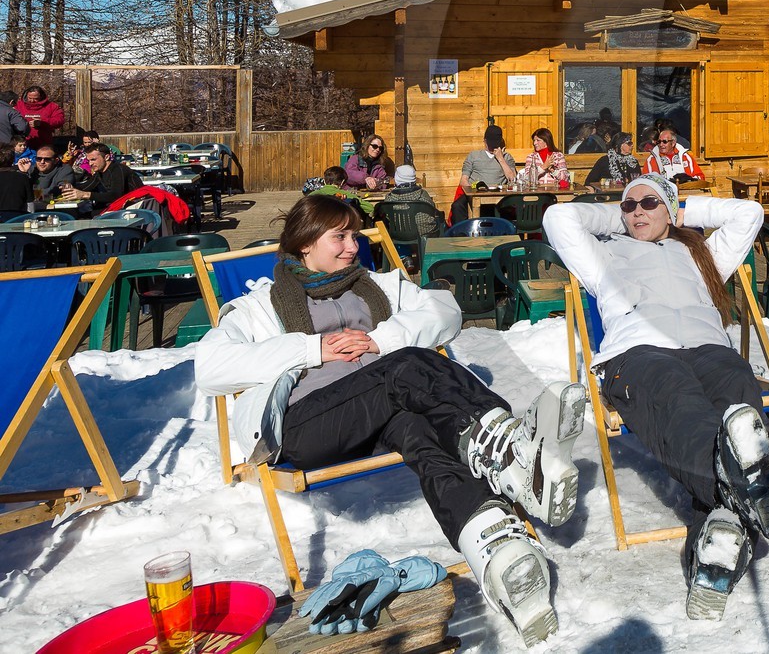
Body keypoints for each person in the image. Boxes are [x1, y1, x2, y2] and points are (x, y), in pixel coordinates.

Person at [193, 195, 585, 645]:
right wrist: (311, 350)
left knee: (422, 429)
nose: (351, 246)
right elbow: (210, 367)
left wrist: (381, 339)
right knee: (407, 368)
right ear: (304, 244)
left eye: (355, 235)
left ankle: (497, 551)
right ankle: (512, 454)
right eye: (338, 237)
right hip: (307, 426)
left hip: (380, 414)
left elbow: (445, 310)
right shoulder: (261, 305)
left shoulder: (373, 285)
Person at [543, 177, 769, 621]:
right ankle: (749, 493)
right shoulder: (604, 256)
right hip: (639, 355)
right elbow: (558, 216)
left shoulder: (699, 256)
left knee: (738, 390)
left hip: (709, 349)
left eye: (648, 203)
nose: (637, 211)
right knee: (681, 402)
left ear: (671, 208)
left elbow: (748, 213)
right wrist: (620, 219)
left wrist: (683, 213)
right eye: (629, 204)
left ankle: (716, 546)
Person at [454, 125, 519, 222]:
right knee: (457, 206)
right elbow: (463, 180)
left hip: (498, 195)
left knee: (505, 208)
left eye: (495, 143)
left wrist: (500, 159)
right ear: (484, 141)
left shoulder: (506, 157)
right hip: (475, 191)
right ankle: (462, 234)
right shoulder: (474, 156)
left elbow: (512, 179)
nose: (493, 146)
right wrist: (473, 193)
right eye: (490, 143)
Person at [58, 142, 140, 210]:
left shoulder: (118, 170)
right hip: (118, 209)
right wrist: (69, 188)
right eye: (88, 160)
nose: (90, 164)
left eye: (93, 159)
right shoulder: (100, 172)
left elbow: (115, 195)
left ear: (107, 157)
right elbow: (86, 186)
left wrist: (85, 195)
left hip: (134, 210)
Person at [383, 165, 442, 237]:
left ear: (397, 178)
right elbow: (432, 210)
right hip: (424, 233)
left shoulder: (389, 198)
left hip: (397, 235)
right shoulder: (423, 194)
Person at [17, 85, 64, 149]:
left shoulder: (51, 106)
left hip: (44, 145)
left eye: (35, 99)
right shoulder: (19, 105)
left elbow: (60, 120)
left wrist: (42, 122)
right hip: (23, 145)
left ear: (41, 97)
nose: (32, 101)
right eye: (29, 98)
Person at [0, 147, 31, 214]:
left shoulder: (22, 177)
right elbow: (30, 205)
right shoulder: (22, 177)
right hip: (17, 219)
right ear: (13, 160)